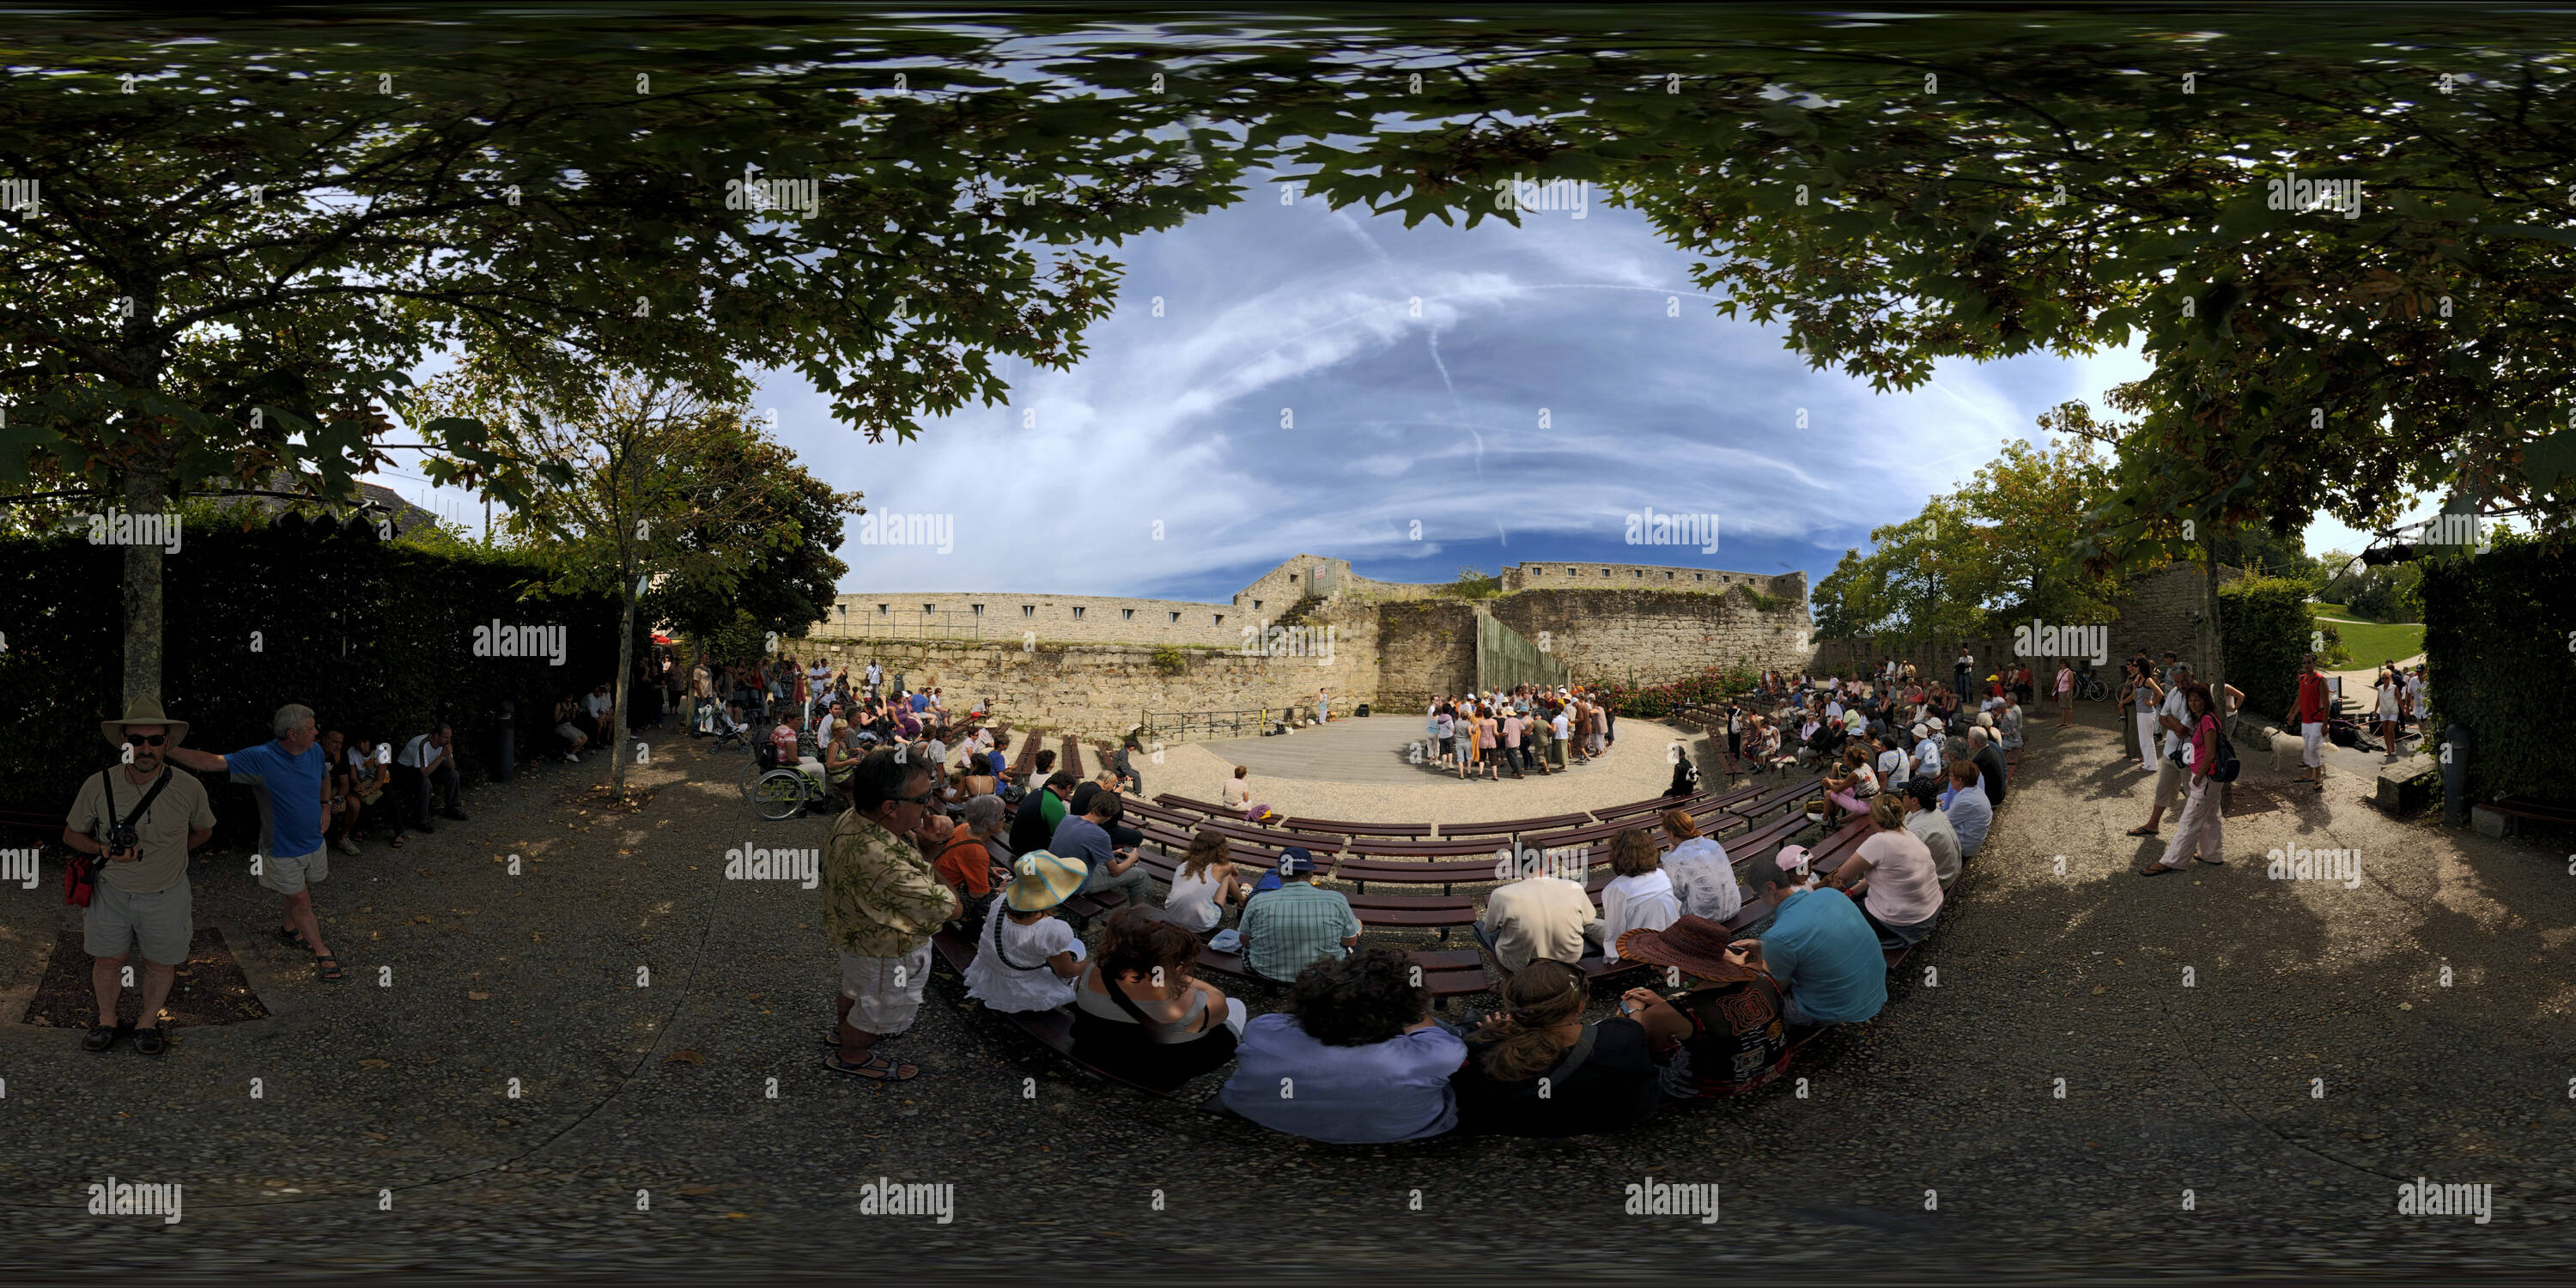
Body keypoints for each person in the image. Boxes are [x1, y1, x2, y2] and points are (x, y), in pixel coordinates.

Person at [64, 697, 219, 1055]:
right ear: (123, 741)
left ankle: (148, 1023)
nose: (145, 748)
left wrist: (171, 857)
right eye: (136, 739)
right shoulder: (97, 784)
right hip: (110, 892)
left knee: (160, 963)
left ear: (167, 741)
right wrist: (103, 850)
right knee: (108, 961)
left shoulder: (189, 787)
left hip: (167, 894)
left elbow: (203, 831)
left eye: (154, 739)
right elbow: (71, 835)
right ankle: (107, 1020)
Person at [166, 703, 345, 985]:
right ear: (292, 734)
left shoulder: (315, 751)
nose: (317, 732)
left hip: (313, 841)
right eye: (311, 728)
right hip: (282, 848)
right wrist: (165, 748)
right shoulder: (261, 758)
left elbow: (325, 778)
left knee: (298, 890)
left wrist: (325, 806)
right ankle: (322, 951)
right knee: (301, 899)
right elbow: (212, 762)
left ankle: (289, 929)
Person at [1219, 946, 1467, 1144]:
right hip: (1405, 1130)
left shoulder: (1263, 1030)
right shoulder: (1436, 1055)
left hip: (1260, 1114)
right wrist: (1410, 1006)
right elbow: (1428, 1030)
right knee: (1448, 1031)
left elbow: (1286, 1020)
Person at [821, 749, 957, 1081]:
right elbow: (953, 907)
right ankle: (853, 1055)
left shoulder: (855, 817)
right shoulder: (887, 865)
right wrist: (934, 851)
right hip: (887, 953)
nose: (931, 805)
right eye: (924, 798)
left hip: (855, 936)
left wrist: (922, 846)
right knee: (879, 1011)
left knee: (855, 990)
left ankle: (842, 1034)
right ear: (890, 807)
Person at [1451, 959, 1662, 1137]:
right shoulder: (1622, 1035)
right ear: (1580, 1006)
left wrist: (1491, 1033)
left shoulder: (1485, 1048)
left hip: (1519, 1127)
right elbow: (1635, 1034)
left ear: (1515, 1008)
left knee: (1468, 1027)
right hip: (1608, 1121)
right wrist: (1634, 1011)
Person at [1613, 915, 1791, 1099]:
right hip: (1775, 1065)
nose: (1653, 967)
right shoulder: (1762, 971)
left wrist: (1636, 1011)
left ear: (1688, 967)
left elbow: (1646, 1052)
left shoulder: (1662, 1014)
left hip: (1711, 1085)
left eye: (1661, 962)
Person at [1071, 907, 1244, 1087]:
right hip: (1157, 1072)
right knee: (1236, 1005)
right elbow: (1220, 1004)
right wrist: (1174, 976)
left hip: (1098, 1051)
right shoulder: (1186, 1002)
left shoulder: (1089, 972)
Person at [1722, 852, 1886, 1028]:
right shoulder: (1830, 894)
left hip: (1839, 1008)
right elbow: (1812, 937)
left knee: (1759, 1005)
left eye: (1757, 896)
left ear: (1770, 888)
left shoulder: (1778, 936)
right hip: (1875, 988)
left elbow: (1777, 987)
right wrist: (1769, 948)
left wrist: (1739, 965)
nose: (1760, 901)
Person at [963, 850, 1089, 1013]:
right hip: (1019, 989)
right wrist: (1087, 965)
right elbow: (1067, 972)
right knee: (1077, 956)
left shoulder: (1000, 901)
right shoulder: (1050, 930)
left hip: (988, 972)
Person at [1829, 795, 1944, 950]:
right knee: (1855, 887)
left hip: (1902, 925)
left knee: (1835, 916)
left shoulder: (1880, 841)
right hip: (1927, 915)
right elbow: (1888, 876)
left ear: (1874, 820)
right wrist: (1852, 892)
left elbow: (1843, 873)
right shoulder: (1909, 834)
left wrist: (1840, 882)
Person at [1238, 849, 1361, 982]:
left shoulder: (1258, 901)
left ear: (1279, 874)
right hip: (1324, 973)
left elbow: (1244, 939)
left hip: (1266, 971)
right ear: (1311, 874)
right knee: (1356, 933)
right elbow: (1350, 941)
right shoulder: (1336, 900)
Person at [2144, 683, 2227, 876]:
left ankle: (2172, 861)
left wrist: (2197, 777)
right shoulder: (2206, 718)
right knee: (2211, 817)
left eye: (2197, 699)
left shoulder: (2206, 720)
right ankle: (2212, 854)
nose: (2193, 703)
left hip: (2206, 777)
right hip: (2210, 778)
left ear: (2206, 700)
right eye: (2190, 700)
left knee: (2189, 821)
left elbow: (2210, 753)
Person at [1476, 857, 1601, 975]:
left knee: (1479, 927)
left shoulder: (1501, 895)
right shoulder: (1574, 887)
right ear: (1548, 860)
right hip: (1569, 957)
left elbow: (1489, 927)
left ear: (1514, 865)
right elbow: (1588, 919)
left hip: (1520, 964)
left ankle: (1509, 981)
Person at [1596, 829, 1682, 964]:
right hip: (1668, 938)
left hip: (1637, 947)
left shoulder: (1615, 889)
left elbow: (1614, 932)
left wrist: (1611, 960)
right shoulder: (1661, 874)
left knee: (1589, 925)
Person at [1052, 787, 1151, 904]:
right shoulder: (1100, 835)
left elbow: (1077, 847)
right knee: (1141, 875)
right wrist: (1132, 859)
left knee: (1107, 864)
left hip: (1056, 876)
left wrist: (1110, 853)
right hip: (1076, 885)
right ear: (1110, 815)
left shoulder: (1068, 819)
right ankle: (1138, 914)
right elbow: (1115, 872)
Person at [934, 793, 1014, 935]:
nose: (1004, 819)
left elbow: (962, 860)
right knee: (1002, 898)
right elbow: (978, 894)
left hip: (938, 884)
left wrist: (987, 870)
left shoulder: (963, 828)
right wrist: (1001, 890)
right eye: (1001, 816)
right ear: (985, 824)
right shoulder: (977, 852)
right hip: (946, 901)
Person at [1657, 809, 1740, 924]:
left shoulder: (1674, 859)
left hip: (1706, 917)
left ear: (1671, 833)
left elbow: (1677, 894)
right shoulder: (1714, 844)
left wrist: (1670, 855)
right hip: (1733, 907)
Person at [1165, 829, 1252, 933]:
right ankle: (1242, 900)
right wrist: (1234, 869)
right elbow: (1229, 866)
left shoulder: (1183, 865)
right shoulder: (1222, 869)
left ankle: (1241, 899)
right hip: (1202, 924)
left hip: (1172, 916)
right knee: (1227, 876)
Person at [395, 722, 469, 833]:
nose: (448, 740)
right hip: (407, 771)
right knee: (425, 783)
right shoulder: (422, 744)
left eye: (450, 737)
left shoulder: (443, 745)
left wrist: (448, 755)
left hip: (428, 767)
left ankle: (451, 808)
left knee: (454, 775)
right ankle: (421, 820)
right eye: (445, 737)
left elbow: (452, 767)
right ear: (436, 736)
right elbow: (424, 773)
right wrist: (442, 756)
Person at [1902, 777, 1964, 889]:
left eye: (1904, 793)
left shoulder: (1917, 830)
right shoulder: (1935, 812)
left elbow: (1903, 862)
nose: (1902, 797)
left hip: (1941, 880)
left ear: (1914, 800)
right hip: (1950, 871)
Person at [1008, 770, 1075, 855]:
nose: (1067, 796)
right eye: (1070, 792)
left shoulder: (1036, 792)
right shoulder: (1054, 803)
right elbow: (1059, 835)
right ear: (1067, 787)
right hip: (1027, 851)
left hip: (1015, 842)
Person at [2294, 653, 2330, 791]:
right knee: (2308, 747)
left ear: (2314, 664)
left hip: (2317, 719)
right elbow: (2300, 698)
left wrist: (2326, 723)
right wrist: (2292, 713)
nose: (2306, 665)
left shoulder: (2320, 680)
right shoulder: (2302, 679)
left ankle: (2318, 776)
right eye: (2304, 663)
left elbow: (2327, 702)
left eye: (2309, 662)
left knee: (2314, 747)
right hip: (2306, 720)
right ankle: (2309, 774)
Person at [1945, 759, 1993, 859]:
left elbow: (1944, 823)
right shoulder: (1975, 791)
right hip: (1972, 840)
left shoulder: (1964, 800)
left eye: (1950, 776)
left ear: (1959, 780)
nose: (1949, 779)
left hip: (1965, 847)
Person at [1967, 726, 2008, 810]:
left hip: (1993, 800)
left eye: (1969, 738)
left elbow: (1972, 784)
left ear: (1974, 741)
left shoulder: (1980, 759)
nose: (1967, 740)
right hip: (1999, 793)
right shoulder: (1991, 750)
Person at [2375, 665, 2403, 760]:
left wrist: (2404, 710)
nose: (2384, 680)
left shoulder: (2394, 687)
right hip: (2383, 711)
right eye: (2383, 678)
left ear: (2390, 678)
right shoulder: (2380, 688)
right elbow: (2378, 700)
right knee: (2385, 731)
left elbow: (2399, 699)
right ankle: (2388, 749)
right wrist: (2375, 711)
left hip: (2393, 711)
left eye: (2386, 678)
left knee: (2390, 730)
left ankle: (2393, 748)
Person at [552, 693, 589, 762]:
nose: (570, 699)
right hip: (560, 726)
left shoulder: (570, 705)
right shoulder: (559, 705)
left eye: (571, 697)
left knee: (585, 738)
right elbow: (556, 720)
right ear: (564, 697)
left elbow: (572, 719)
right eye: (569, 697)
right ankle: (569, 753)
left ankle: (569, 753)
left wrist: (574, 711)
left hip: (568, 725)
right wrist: (564, 711)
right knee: (579, 741)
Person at [2055, 659, 2076, 726]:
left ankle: (2070, 723)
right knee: (2062, 707)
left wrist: (2068, 693)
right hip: (2060, 691)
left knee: (2068, 707)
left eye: (2061, 663)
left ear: (2065, 664)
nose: (2060, 665)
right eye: (2060, 663)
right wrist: (2053, 690)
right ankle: (2063, 722)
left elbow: (2071, 683)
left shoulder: (2069, 672)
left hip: (2066, 691)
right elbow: (2057, 681)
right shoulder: (2059, 672)